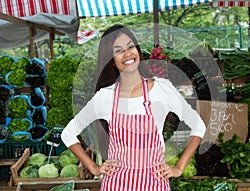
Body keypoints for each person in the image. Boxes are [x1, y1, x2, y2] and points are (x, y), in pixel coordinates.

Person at [61, 24, 206, 191]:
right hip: (116, 185)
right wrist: (94, 168)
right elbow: (69, 133)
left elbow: (198, 126)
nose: (127, 53)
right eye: (118, 50)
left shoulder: (162, 88)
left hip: (154, 184)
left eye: (131, 46)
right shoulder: (105, 96)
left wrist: (178, 168)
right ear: (111, 60)